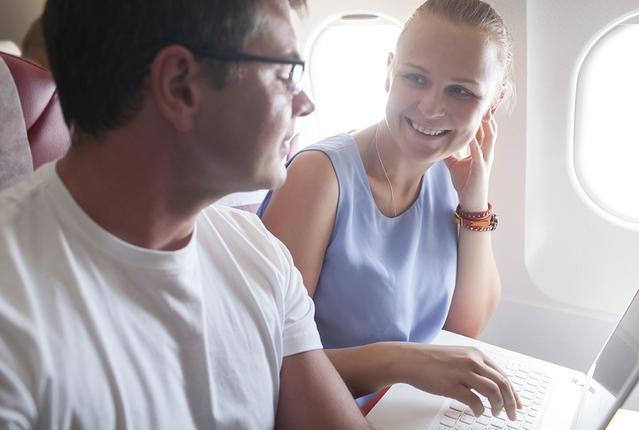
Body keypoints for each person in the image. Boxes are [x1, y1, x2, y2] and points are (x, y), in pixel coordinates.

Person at [0, 0, 371, 428]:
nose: (304, 102)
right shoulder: (15, 308)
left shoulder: (258, 253)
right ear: (180, 86)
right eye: (285, 73)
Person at [259, 0, 522, 420]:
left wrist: (475, 202)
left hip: (403, 409)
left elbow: (464, 326)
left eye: (461, 90)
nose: (431, 107)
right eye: (415, 78)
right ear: (388, 71)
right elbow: (265, 359)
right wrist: (402, 363)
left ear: (493, 103)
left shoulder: (449, 175)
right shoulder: (319, 178)